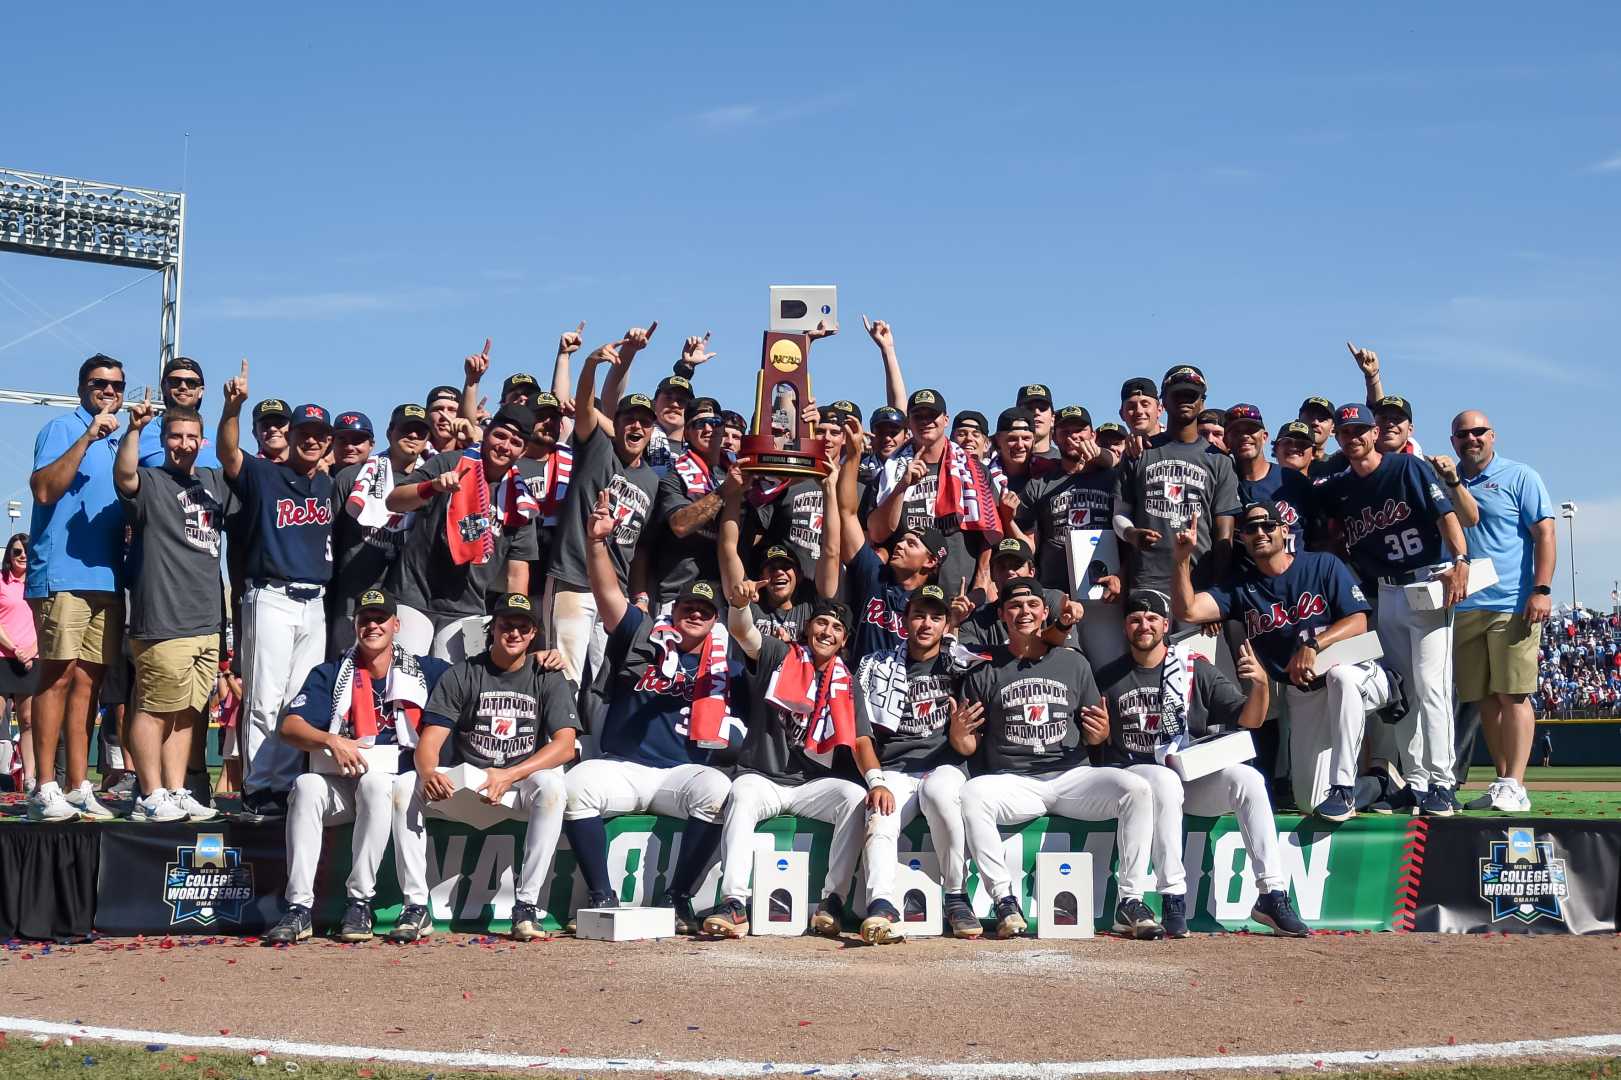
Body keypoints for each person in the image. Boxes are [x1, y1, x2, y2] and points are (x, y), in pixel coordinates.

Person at [562, 495, 739, 932]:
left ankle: (678, 897)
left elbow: (738, 727)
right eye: (687, 608)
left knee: (718, 789)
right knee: (574, 786)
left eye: (704, 611)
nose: (694, 614)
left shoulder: (727, 663)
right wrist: (597, 544)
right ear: (673, 613)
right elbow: (607, 596)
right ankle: (602, 894)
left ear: (714, 620)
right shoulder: (642, 635)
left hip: (680, 774)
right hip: (625, 766)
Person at [954, 581, 1164, 940]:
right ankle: (1004, 900)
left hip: (1071, 776)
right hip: (1015, 779)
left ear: (1044, 612)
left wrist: (1099, 735)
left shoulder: (1073, 662)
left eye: (1033, 604)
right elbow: (969, 745)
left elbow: (1094, 734)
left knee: (1137, 789)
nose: (1024, 612)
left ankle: (1130, 900)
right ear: (1003, 615)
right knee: (973, 794)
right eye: (1015, 605)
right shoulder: (984, 668)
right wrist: (959, 737)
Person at [1094, 590, 1308, 937]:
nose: (1143, 625)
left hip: (1188, 777)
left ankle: (1272, 893)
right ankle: (1172, 896)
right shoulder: (1108, 676)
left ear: (1166, 625)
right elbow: (1096, 743)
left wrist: (1261, 686)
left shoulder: (1193, 668)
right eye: (1135, 619)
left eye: (1151, 619)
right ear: (1124, 627)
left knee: (1248, 779)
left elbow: (1250, 720)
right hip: (1138, 778)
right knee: (1162, 780)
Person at [1172, 500, 1395, 821]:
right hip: (1304, 690)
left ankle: (1345, 788)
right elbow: (1188, 611)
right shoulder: (1241, 589)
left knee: (1340, 677)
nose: (1259, 532)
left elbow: (1358, 621)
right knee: (1310, 802)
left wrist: (1315, 645)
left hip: (1360, 673)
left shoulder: (1322, 565)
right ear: (1243, 538)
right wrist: (1181, 560)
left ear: (1284, 531)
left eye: (1268, 525)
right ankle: (1377, 783)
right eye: (1250, 528)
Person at [390, 593, 579, 943]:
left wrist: (509, 775)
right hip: (471, 779)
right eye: (507, 625)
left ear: (534, 632)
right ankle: (415, 905)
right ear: (493, 629)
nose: (514, 633)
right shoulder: (463, 673)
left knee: (553, 788)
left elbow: (565, 746)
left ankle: (527, 905)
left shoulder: (548, 675)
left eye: (523, 627)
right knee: (404, 786)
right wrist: (429, 772)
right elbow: (429, 742)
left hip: (518, 782)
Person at [1313, 403, 1474, 815]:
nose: (1354, 438)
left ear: (1374, 433)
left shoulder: (1408, 469)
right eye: (1346, 433)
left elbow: (1447, 517)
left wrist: (1461, 562)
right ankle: (1417, 782)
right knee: (1402, 692)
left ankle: (1443, 781)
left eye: (1360, 431)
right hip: (1386, 595)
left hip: (1428, 582)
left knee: (1431, 686)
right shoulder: (1340, 488)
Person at [264, 590, 449, 944]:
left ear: (397, 625)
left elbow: (478, 677)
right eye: (366, 619)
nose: (373, 625)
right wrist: (332, 740)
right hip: (342, 781)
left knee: (376, 784)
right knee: (305, 785)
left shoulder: (425, 670)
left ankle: (359, 901)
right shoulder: (333, 672)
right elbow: (290, 726)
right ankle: (299, 908)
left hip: (396, 786)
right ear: (355, 626)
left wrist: (539, 660)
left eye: (381, 619)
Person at [702, 584, 869, 940]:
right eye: (822, 623)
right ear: (809, 628)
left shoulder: (847, 683)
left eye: (837, 628)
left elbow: (859, 740)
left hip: (810, 784)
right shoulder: (780, 654)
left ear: (843, 641)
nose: (827, 632)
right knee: (742, 793)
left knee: (855, 798)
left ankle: (833, 902)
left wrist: (878, 781)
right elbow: (744, 633)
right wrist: (740, 605)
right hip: (764, 777)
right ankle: (733, 902)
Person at [217, 362, 336, 818]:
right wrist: (232, 408)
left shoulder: (326, 481)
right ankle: (258, 785)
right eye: (303, 430)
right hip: (271, 595)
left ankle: (283, 786)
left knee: (296, 700)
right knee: (265, 697)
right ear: (291, 435)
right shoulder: (264, 474)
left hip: (315, 604)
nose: (310, 438)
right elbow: (229, 454)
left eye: (317, 432)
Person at [116, 396, 232, 823]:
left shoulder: (212, 481)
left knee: (188, 711)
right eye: (175, 436)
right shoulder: (151, 479)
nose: (183, 443)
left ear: (201, 441)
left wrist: (231, 413)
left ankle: (176, 788)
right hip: (163, 617)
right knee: (154, 708)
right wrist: (133, 429)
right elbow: (124, 476)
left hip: (205, 619)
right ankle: (149, 793)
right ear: (163, 440)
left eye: (190, 437)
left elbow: (236, 462)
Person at [25, 353, 127, 822]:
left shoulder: (118, 444)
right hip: (62, 575)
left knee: (90, 682)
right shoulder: (63, 429)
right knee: (58, 675)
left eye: (116, 385)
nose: (109, 391)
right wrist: (88, 435)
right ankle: (42, 785)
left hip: (106, 577)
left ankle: (77, 783)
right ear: (82, 387)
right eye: (99, 384)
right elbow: (44, 490)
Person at [852, 584, 975, 942]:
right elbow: (863, 736)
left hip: (942, 765)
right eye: (919, 615)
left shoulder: (961, 666)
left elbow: (970, 740)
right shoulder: (875, 666)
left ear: (946, 625)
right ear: (904, 621)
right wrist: (875, 780)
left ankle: (956, 896)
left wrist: (959, 736)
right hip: (895, 769)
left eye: (936, 617)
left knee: (940, 793)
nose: (926, 624)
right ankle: (881, 906)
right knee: (879, 815)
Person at [1450, 411, 1556, 812]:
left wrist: (1541, 589)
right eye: (1463, 434)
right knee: (1483, 700)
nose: (1471, 438)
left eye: (1479, 432)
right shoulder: (1448, 481)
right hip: (1464, 605)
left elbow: (1544, 531)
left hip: (1511, 602)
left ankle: (1517, 782)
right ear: (1453, 440)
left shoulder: (1519, 475)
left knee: (1512, 695)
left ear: (1492, 436)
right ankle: (1503, 782)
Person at [544, 331, 661, 688]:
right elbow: (582, 407)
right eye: (628, 418)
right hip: (573, 578)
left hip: (617, 592)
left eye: (644, 421)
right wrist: (591, 364)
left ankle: (594, 745)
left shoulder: (653, 481)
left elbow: (641, 547)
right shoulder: (596, 448)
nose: (636, 426)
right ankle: (560, 742)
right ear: (616, 421)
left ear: (652, 428)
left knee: (607, 681)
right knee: (566, 672)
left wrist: (638, 596)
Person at [383, 404, 540, 633]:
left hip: (469, 608)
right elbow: (394, 501)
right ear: (486, 434)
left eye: (515, 443)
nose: (505, 447)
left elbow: (517, 573)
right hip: (413, 596)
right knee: (408, 668)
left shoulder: (521, 502)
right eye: (500, 436)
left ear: (523, 451)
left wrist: (514, 621)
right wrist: (433, 487)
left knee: (459, 670)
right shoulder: (448, 462)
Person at [1113, 366, 1239, 604]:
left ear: (1202, 403)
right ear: (1164, 402)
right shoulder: (1139, 452)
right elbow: (1120, 514)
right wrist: (1131, 534)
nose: (1184, 401)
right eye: (1177, 395)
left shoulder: (1219, 460)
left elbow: (1225, 534)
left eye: (1191, 396)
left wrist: (1216, 592)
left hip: (1198, 583)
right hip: (1147, 580)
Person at [869, 387, 1002, 597]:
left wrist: (982, 577)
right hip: (903, 597)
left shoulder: (974, 470)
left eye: (932, 415)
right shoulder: (890, 471)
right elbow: (877, 533)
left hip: (959, 590)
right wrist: (901, 487)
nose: (925, 421)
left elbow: (989, 528)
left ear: (946, 419)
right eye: (918, 416)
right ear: (909, 423)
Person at [330, 404, 430, 657]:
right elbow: (331, 539)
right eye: (407, 430)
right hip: (353, 597)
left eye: (421, 432)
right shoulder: (353, 477)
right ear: (390, 433)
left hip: (404, 600)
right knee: (346, 673)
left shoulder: (431, 480)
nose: (414, 437)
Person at [1226, 405, 1314, 556]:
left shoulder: (1292, 481)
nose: (1244, 436)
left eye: (1251, 430)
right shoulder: (1226, 484)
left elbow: (1320, 539)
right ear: (1226, 440)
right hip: (1247, 577)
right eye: (1237, 431)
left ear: (1264, 437)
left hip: (1296, 574)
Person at [0, 535, 40, 793]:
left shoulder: (40, 583)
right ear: (9, 555)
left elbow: (46, 623)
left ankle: (31, 779)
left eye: (26, 550)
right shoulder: (2, 582)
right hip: (3, 658)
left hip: (31, 660)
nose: (22, 555)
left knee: (28, 721)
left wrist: (31, 651)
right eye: (17, 551)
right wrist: (14, 648)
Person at [137, 357, 219, 469]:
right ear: (164, 387)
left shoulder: (218, 438)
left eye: (191, 383)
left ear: (201, 391)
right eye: (175, 381)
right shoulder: (139, 433)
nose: (183, 387)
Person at [1015, 384, 1059, 460]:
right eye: (1029, 409)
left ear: (1052, 419)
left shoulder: (1064, 463)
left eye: (1042, 408)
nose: (1036, 412)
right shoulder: (1000, 463)